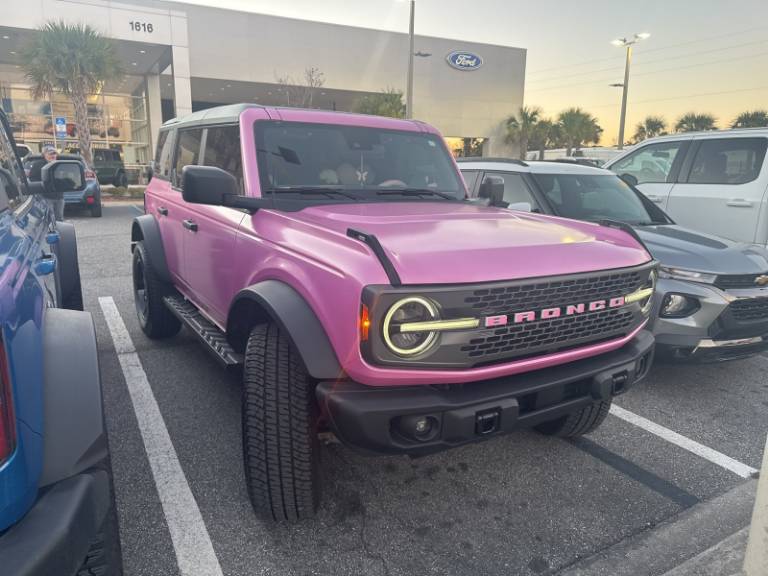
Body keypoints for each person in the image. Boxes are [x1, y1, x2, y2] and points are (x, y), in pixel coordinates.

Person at [34, 145, 64, 221]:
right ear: (44, 155)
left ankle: (59, 232)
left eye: (54, 153)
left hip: (59, 197)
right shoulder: (38, 165)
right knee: (49, 219)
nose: (53, 156)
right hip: (45, 197)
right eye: (50, 154)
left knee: (59, 218)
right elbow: (33, 179)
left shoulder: (60, 164)